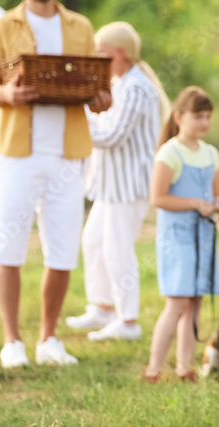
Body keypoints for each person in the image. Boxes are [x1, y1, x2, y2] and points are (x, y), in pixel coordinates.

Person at [0, 0, 112, 368]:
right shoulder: (1, 27)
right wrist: (7, 93)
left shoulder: (81, 27)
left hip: (69, 154)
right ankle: (12, 342)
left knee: (62, 251)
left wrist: (101, 99)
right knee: (9, 247)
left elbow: (93, 87)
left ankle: (48, 339)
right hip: (17, 152)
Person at [66, 22, 170, 341]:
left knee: (117, 249)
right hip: (112, 184)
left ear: (120, 53)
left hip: (130, 184)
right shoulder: (121, 83)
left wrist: (77, 111)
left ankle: (128, 321)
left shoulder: (137, 87)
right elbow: (106, 124)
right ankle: (103, 307)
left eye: (102, 52)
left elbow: (112, 135)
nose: (98, 58)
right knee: (93, 241)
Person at [143, 86, 219, 383]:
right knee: (177, 303)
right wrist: (194, 203)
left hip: (203, 238)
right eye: (198, 116)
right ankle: (154, 368)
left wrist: (218, 206)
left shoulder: (211, 154)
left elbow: (215, 195)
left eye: (208, 117)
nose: (204, 123)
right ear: (179, 117)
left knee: (195, 301)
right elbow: (158, 198)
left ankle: (184, 366)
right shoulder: (169, 153)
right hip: (178, 239)